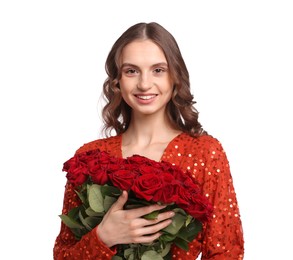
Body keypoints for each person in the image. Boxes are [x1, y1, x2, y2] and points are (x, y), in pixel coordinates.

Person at [53, 22, 244, 259]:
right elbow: (63, 253)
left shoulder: (204, 153)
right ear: (117, 81)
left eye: (158, 70)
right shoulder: (90, 158)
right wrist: (103, 236)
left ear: (175, 76)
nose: (144, 83)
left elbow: (225, 251)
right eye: (131, 71)